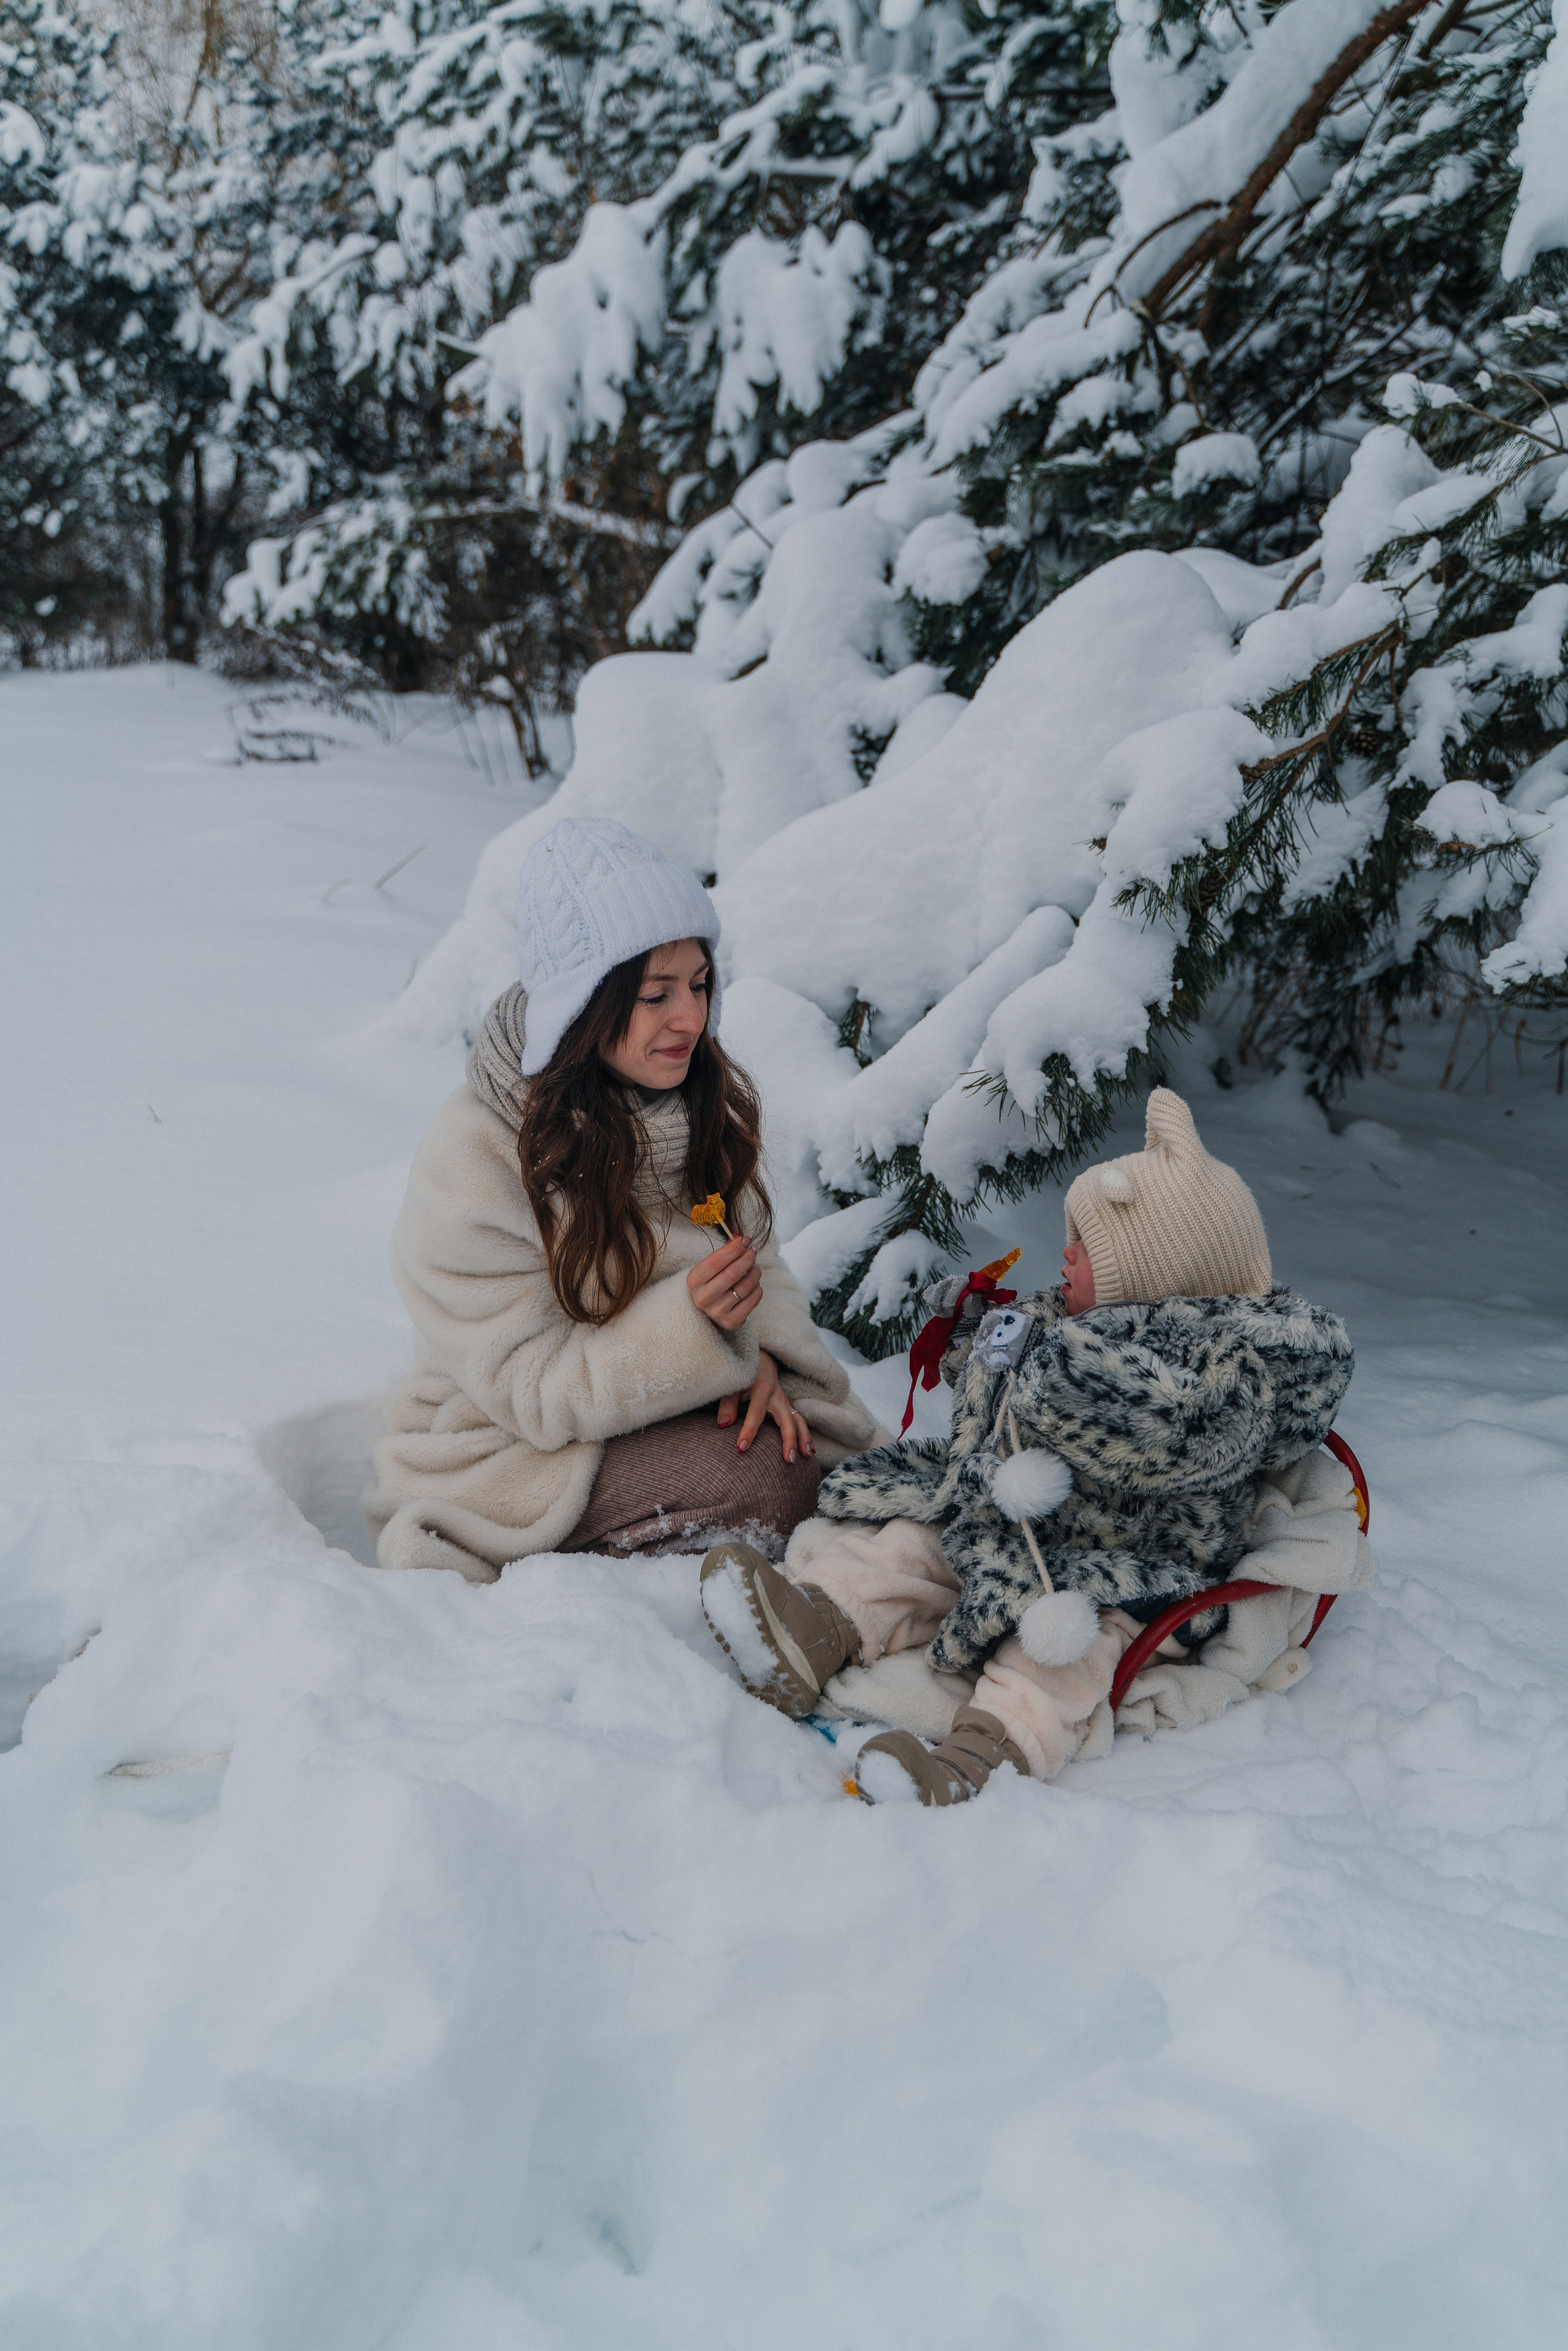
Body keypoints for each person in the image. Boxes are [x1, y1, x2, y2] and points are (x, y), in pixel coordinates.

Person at [698, 1089, 1362, 1805]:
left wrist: (1065, 1374)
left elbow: (1168, 1432)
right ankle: (814, 1628)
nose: (1065, 1252)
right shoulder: (1072, 1322)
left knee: (1059, 1654)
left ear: (1152, 1274)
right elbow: (1008, 1406)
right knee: (913, 1545)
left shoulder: (1222, 1376)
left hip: (1129, 1566)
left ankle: (979, 1755)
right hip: (1022, 1522)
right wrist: (977, 1342)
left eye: (1089, 1247)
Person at [364, 818, 881, 1580]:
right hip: (512, 1447)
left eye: (699, 984)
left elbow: (758, 1269)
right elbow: (532, 1389)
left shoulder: (694, 1107)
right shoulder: (477, 1155)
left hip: (669, 1408)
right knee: (770, 1484)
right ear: (583, 1004)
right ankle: (606, 1589)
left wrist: (763, 1359)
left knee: (858, 1482)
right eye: (654, 994)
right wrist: (698, 1331)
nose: (689, 1018)